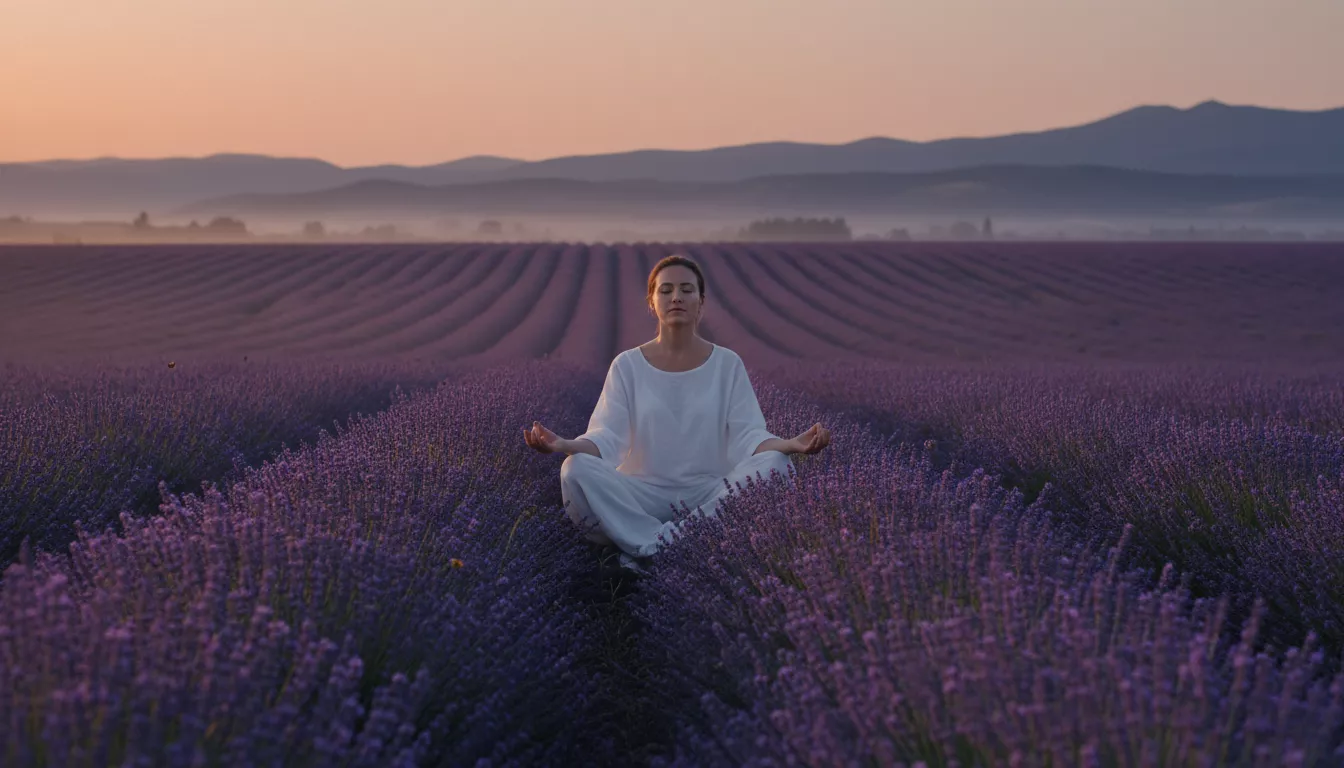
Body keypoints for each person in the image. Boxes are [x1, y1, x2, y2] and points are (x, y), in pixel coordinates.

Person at [523, 254, 832, 571]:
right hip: (640, 494)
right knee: (575, 470)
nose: (676, 298)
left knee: (777, 466)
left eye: (686, 290)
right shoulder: (627, 365)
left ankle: (646, 546)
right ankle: (682, 542)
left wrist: (791, 445)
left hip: (710, 493)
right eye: (666, 290)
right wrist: (563, 445)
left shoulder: (727, 364)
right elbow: (607, 437)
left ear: (701, 302)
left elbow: (748, 435)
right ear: (651, 302)